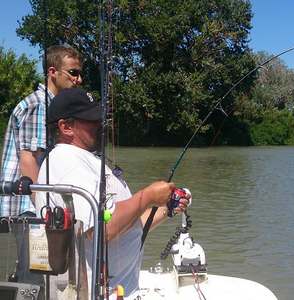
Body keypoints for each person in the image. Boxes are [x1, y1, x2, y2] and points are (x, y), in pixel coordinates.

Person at [35, 88, 189, 298]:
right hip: (95, 293)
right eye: (91, 120)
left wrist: (165, 209)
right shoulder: (65, 162)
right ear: (66, 127)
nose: (101, 125)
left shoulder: (86, 159)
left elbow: (128, 224)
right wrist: (147, 196)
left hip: (123, 290)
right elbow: (103, 229)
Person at [0, 45, 83, 284]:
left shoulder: (52, 106)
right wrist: (44, 210)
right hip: (29, 206)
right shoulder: (39, 106)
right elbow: (29, 160)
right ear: (53, 72)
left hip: (33, 205)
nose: (79, 79)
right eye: (73, 72)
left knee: (37, 271)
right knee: (35, 276)